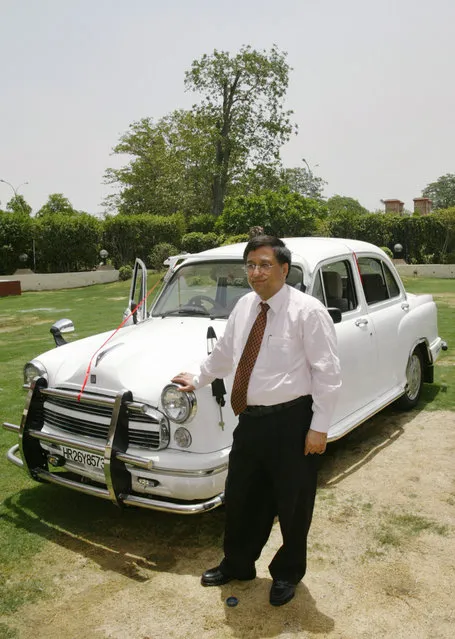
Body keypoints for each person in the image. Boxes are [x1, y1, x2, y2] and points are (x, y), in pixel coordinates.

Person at [172, 235, 341, 606]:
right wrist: (198, 378)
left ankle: (286, 573)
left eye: (265, 265)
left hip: (292, 423)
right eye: (250, 265)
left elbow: (327, 374)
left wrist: (319, 427)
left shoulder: (308, 312)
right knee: (242, 496)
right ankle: (238, 563)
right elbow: (225, 354)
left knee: (293, 503)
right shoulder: (246, 306)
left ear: (284, 269)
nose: (256, 272)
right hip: (250, 421)